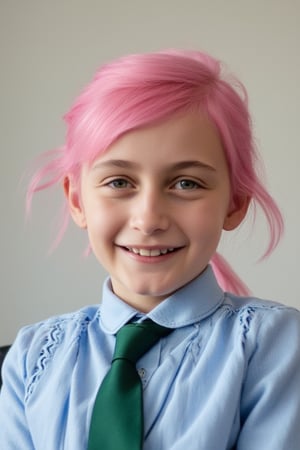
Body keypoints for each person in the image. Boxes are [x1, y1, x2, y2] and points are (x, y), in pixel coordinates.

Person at [0, 49, 299, 450]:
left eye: (186, 184)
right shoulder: (31, 356)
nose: (149, 218)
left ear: (235, 203)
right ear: (76, 200)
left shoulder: (277, 345)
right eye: (119, 182)